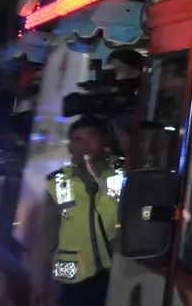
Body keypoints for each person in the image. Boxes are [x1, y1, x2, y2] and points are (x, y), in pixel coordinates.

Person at [32, 116, 125, 306]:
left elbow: (135, 151)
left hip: (113, 275)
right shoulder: (58, 182)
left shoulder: (119, 173)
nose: (86, 145)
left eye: (93, 137)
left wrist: (115, 126)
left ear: (103, 141)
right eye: (78, 139)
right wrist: (38, 283)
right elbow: (46, 238)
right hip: (72, 281)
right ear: (70, 147)